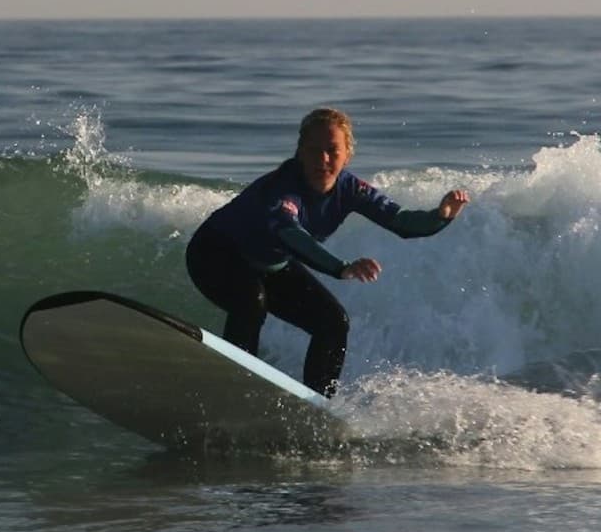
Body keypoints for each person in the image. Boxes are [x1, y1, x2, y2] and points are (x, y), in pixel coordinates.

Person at [185, 108, 470, 397]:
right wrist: (340, 267)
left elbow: (402, 222)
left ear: (347, 155)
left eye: (333, 151)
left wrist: (441, 215)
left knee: (333, 323)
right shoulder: (280, 188)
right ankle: (234, 388)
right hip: (214, 254)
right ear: (300, 152)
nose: (323, 160)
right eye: (314, 150)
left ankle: (317, 405)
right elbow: (291, 234)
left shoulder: (350, 189)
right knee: (251, 302)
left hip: (269, 264)